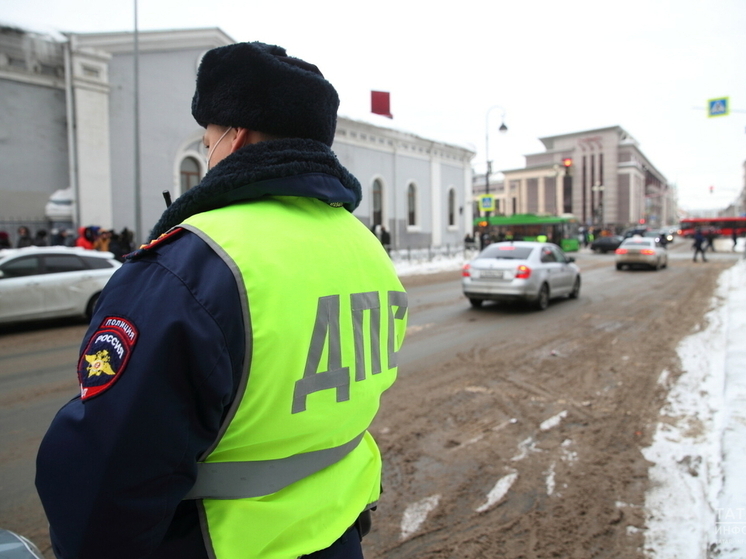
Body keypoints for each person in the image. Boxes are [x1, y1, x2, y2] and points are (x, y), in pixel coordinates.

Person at [35, 41, 408, 559]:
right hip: (337, 534)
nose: (207, 150)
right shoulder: (365, 248)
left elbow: (108, 479)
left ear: (236, 138)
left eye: (208, 137)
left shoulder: (192, 264)